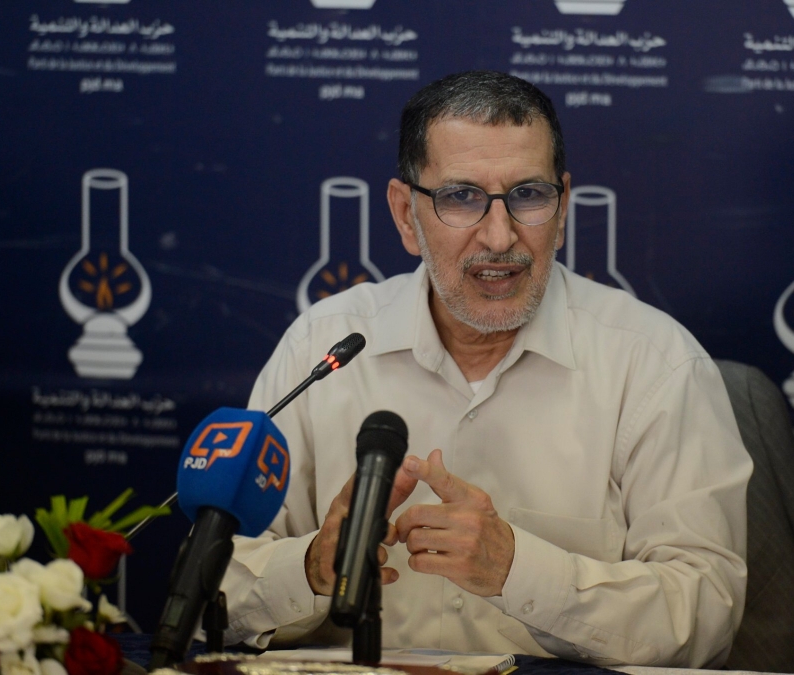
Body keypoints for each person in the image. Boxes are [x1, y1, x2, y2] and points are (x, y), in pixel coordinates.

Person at [221, 70, 753, 668]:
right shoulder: (323, 348)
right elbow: (217, 588)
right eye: (460, 197)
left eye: (528, 195)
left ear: (563, 207)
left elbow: (707, 613)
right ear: (405, 215)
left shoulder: (654, 362)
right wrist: (310, 569)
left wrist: (519, 571)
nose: (500, 238)